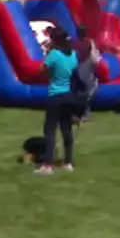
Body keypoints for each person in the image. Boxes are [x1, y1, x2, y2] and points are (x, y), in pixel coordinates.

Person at [36, 28, 79, 175]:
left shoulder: (54, 54)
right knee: (66, 130)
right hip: (68, 94)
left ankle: (47, 165)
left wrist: (47, 53)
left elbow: (42, 70)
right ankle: (68, 162)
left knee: (50, 130)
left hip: (55, 95)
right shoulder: (73, 55)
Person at [71, 26, 99, 124]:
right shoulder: (89, 43)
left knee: (76, 93)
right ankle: (84, 114)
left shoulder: (73, 44)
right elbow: (95, 59)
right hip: (86, 69)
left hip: (75, 70)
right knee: (89, 91)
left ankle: (74, 114)